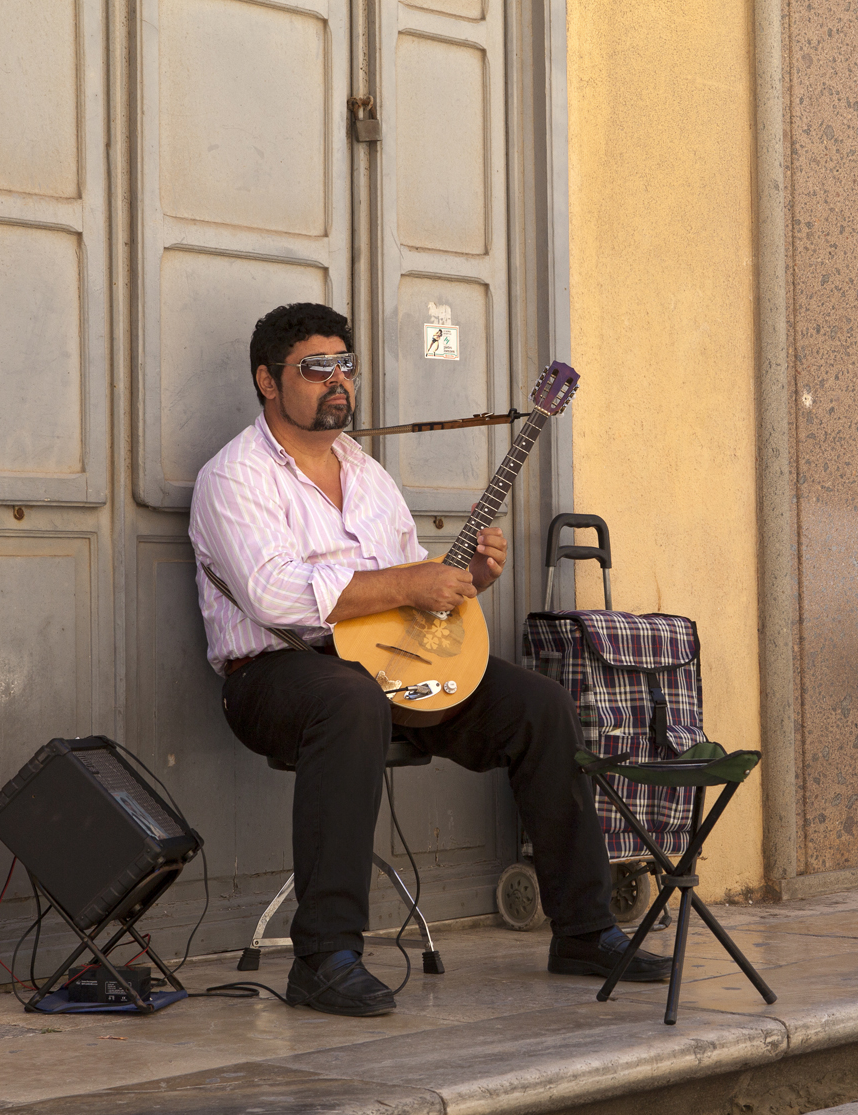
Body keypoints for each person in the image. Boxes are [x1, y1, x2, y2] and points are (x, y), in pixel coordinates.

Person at [189, 302, 669, 1016]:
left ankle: (582, 927)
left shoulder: (368, 473)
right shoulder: (234, 476)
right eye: (315, 367)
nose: (336, 380)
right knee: (346, 698)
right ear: (267, 380)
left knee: (538, 705)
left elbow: (409, 591)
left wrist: (462, 582)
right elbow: (273, 595)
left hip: (391, 661)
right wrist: (409, 581)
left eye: (344, 364)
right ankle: (325, 955)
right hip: (274, 676)